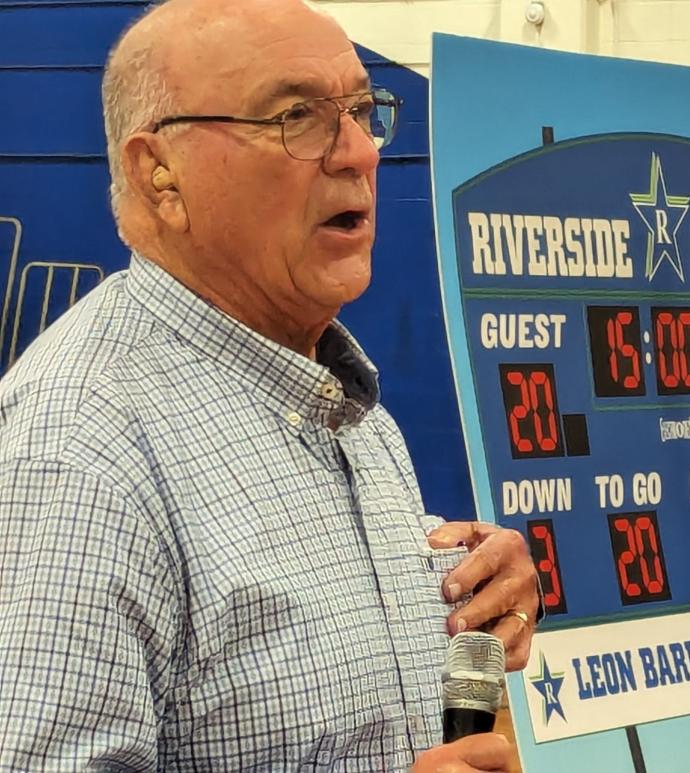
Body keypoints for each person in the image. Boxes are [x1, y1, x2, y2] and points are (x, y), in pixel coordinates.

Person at [0, 0, 538, 769]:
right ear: (160, 175)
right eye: (297, 115)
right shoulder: (79, 450)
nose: (358, 152)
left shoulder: (343, 408)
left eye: (360, 110)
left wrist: (471, 589)